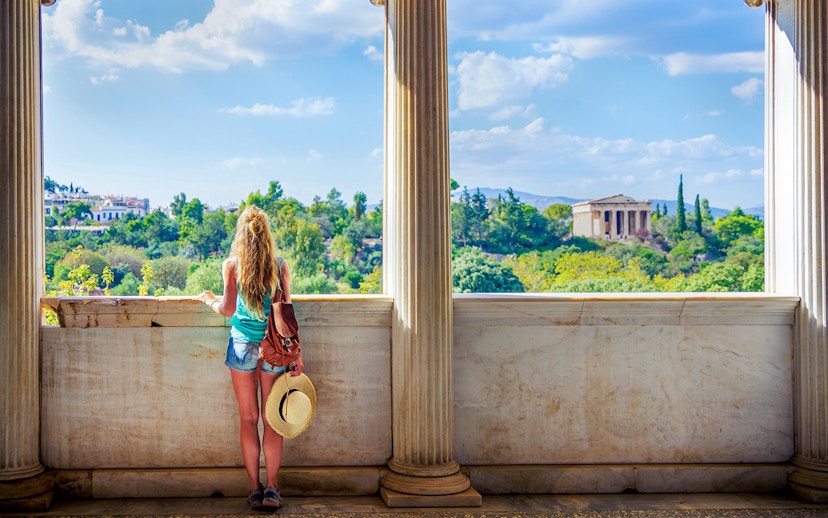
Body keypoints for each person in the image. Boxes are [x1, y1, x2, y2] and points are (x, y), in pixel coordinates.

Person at [198, 205, 304, 511]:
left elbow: (228, 310)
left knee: (248, 419)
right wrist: (298, 353)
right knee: (273, 421)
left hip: (243, 345)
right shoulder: (280, 265)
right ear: (267, 235)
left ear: (241, 236)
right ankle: (272, 489)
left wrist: (210, 301)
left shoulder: (232, 265)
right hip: (274, 348)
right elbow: (287, 316)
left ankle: (254, 490)